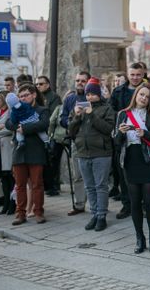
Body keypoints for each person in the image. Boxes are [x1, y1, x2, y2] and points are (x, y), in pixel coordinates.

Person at [114, 83, 150, 254]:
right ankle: (139, 237)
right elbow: (116, 142)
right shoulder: (123, 114)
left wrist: (145, 134)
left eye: (147, 96)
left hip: (148, 159)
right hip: (130, 159)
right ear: (136, 95)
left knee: (148, 201)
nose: (143, 98)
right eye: (141, 94)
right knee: (134, 201)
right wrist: (120, 133)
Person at [68, 77, 115, 232]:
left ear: (99, 95)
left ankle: (101, 216)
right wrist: (76, 116)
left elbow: (108, 129)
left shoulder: (106, 109)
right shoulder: (78, 108)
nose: (89, 97)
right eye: (87, 94)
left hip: (101, 152)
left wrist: (91, 115)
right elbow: (71, 131)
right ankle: (94, 214)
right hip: (83, 152)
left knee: (101, 185)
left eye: (93, 94)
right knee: (89, 186)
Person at [5, 83, 50, 225]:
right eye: (21, 96)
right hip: (19, 152)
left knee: (37, 184)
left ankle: (38, 212)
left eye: (26, 95)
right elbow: (8, 123)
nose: (23, 98)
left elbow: (43, 124)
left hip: (36, 151)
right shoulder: (15, 108)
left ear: (34, 95)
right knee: (19, 185)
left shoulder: (42, 110)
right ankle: (20, 214)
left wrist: (23, 128)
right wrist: (17, 127)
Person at [110, 63, 146, 220]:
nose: (135, 77)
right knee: (123, 173)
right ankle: (127, 205)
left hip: (143, 138)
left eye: (138, 74)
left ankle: (143, 204)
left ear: (143, 74)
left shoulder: (149, 90)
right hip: (123, 138)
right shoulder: (118, 91)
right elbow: (112, 112)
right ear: (128, 75)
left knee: (143, 175)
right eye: (132, 74)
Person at [61, 71, 90, 216]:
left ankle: (98, 205)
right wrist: (72, 121)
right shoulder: (70, 99)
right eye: (77, 80)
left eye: (83, 81)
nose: (79, 83)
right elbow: (63, 118)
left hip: (93, 141)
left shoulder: (94, 97)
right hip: (76, 141)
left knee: (94, 176)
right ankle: (79, 205)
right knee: (78, 175)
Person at [35, 76, 62, 196]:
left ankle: (53, 186)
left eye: (41, 84)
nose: (38, 86)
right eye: (36, 84)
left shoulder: (54, 97)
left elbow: (53, 115)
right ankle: (47, 185)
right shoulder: (37, 97)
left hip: (52, 133)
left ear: (48, 84)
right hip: (40, 132)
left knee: (53, 160)